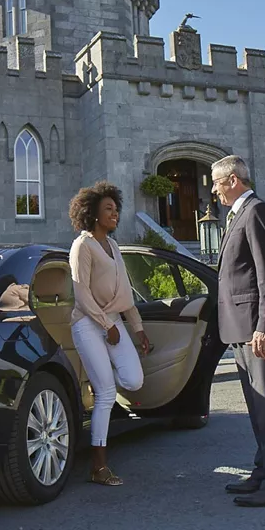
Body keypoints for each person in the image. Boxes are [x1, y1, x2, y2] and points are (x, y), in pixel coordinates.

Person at [210, 155, 265, 508]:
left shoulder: (256, 211)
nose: (214, 191)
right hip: (240, 327)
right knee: (257, 406)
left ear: (233, 180)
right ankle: (264, 472)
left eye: (217, 183)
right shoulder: (237, 215)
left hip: (255, 327)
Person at [68, 180, 151, 487]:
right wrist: (106, 327)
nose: (114, 213)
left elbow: (125, 292)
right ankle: (99, 466)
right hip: (88, 324)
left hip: (113, 323)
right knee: (106, 394)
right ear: (92, 213)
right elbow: (82, 296)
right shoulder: (82, 246)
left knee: (133, 379)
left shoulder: (113, 245)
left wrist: (138, 328)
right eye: (108, 209)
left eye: (116, 208)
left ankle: (96, 377)